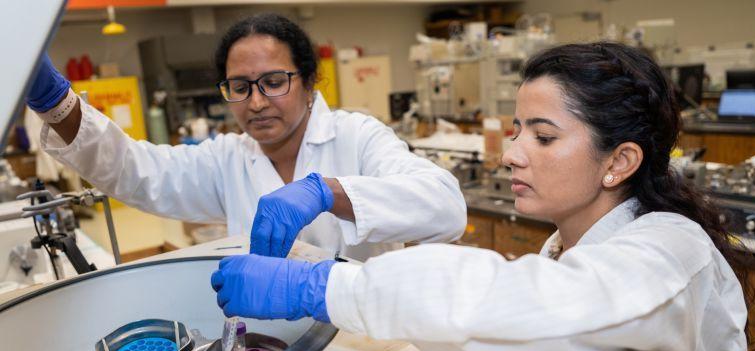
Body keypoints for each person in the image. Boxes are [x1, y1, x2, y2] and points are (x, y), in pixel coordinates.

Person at [211, 42, 751, 351]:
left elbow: (541, 309)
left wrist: (325, 287)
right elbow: (496, 325)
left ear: (620, 161)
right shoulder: (566, 246)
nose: (511, 152)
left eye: (543, 136)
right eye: (515, 130)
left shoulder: (672, 246)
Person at [25, 13, 466, 261]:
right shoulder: (227, 159)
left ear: (311, 81)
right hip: (267, 346)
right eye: (240, 87)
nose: (255, 103)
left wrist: (328, 193)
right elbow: (136, 172)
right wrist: (54, 101)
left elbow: (446, 206)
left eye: (274, 81)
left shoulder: (357, 136)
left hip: (362, 343)